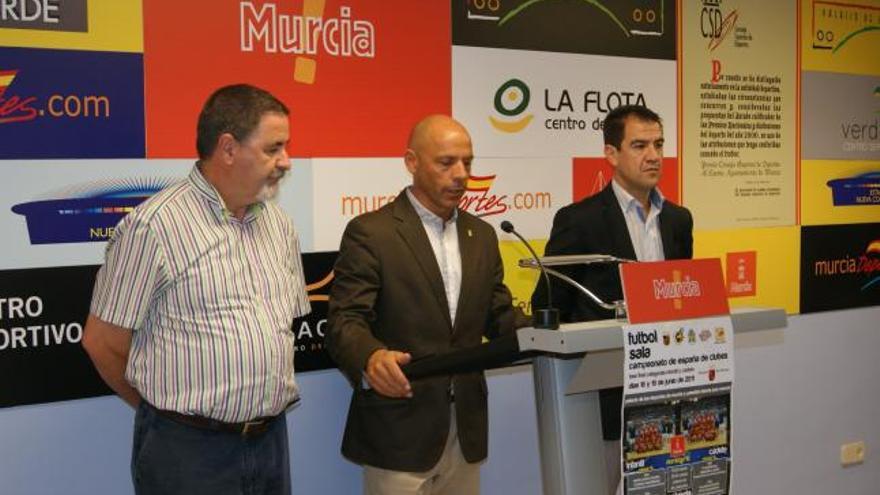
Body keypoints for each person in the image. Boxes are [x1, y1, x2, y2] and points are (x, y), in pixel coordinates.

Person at [82, 84, 310, 495]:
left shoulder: (279, 225)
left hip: (271, 441)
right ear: (228, 148)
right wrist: (167, 414)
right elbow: (102, 342)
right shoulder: (154, 226)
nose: (286, 161)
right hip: (186, 451)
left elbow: (280, 327)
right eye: (273, 148)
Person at [326, 115, 520, 495]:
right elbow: (346, 320)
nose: (461, 174)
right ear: (412, 162)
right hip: (399, 427)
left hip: (465, 431)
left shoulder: (481, 235)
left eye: (468, 162)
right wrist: (371, 357)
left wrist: (555, 331)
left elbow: (500, 316)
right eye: (446, 162)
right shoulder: (373, 232)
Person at [531, 104, 693, 494]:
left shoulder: (678, 220)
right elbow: (547, 305)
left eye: (659, 144)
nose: (653, 155)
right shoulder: (579, 220)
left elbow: (682, 303)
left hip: (667, 392)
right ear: (611, 154)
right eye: (639, 145)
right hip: (604, 402)